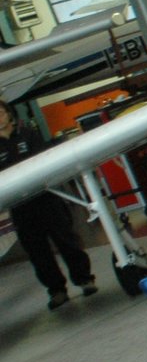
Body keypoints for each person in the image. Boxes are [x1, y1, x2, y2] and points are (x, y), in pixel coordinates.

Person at [0, 98, 96, 310]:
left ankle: (84, 279)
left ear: (8, 114)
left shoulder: (28, 134)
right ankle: (56, 290)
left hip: (45, 198)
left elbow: (42, 159)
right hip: (20, 206)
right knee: (37, 251)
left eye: (1, 112)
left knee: (66, 240)